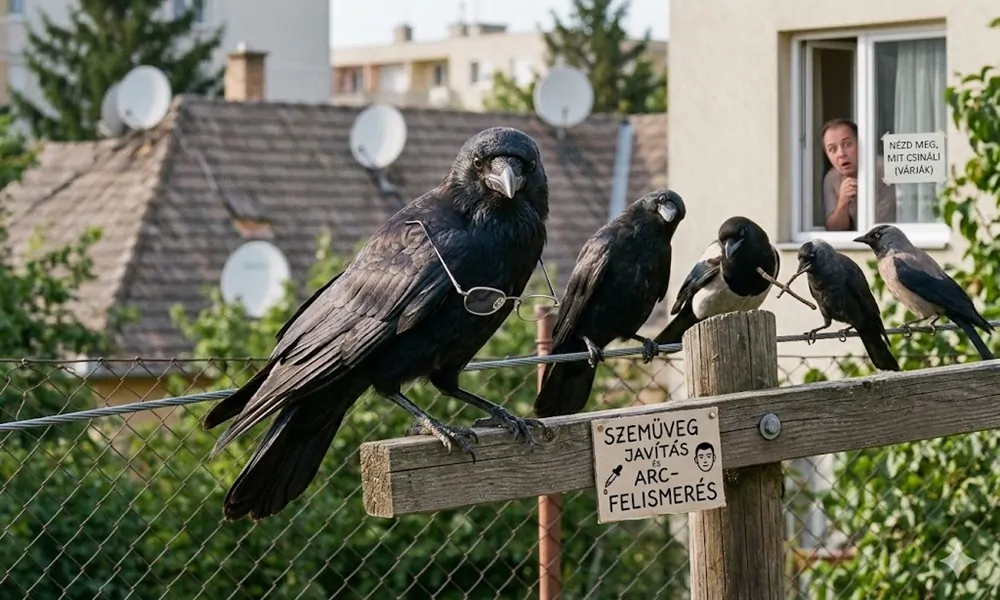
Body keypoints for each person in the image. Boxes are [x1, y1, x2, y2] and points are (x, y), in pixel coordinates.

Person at [820, 118, 897, 231]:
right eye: (832, 149)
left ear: (860, 144)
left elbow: (884, 227)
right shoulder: (831, 179)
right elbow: (834, 230)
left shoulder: (882, 170)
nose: (841, 153)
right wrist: (843, 202)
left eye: (847, 144)